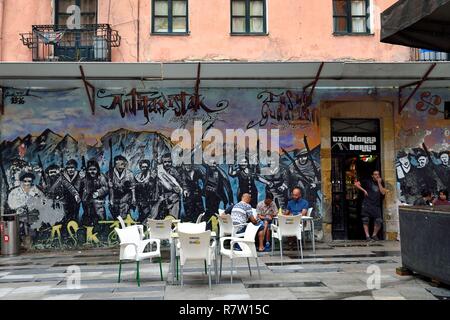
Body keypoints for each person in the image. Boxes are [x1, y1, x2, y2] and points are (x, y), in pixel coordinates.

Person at [354, 170, 387, 242]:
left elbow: (383, 193)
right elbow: (356, 184)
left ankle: (374, 235)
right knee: (365, 220)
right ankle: (367, 236)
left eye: (378, 174)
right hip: (367, 203)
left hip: (376, 205)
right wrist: (364, 191)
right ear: (372, 176)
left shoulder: (381, 182)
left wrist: (379, 183)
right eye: (375, 174)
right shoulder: (367, 181)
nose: (377, 176)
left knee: (379, 220)